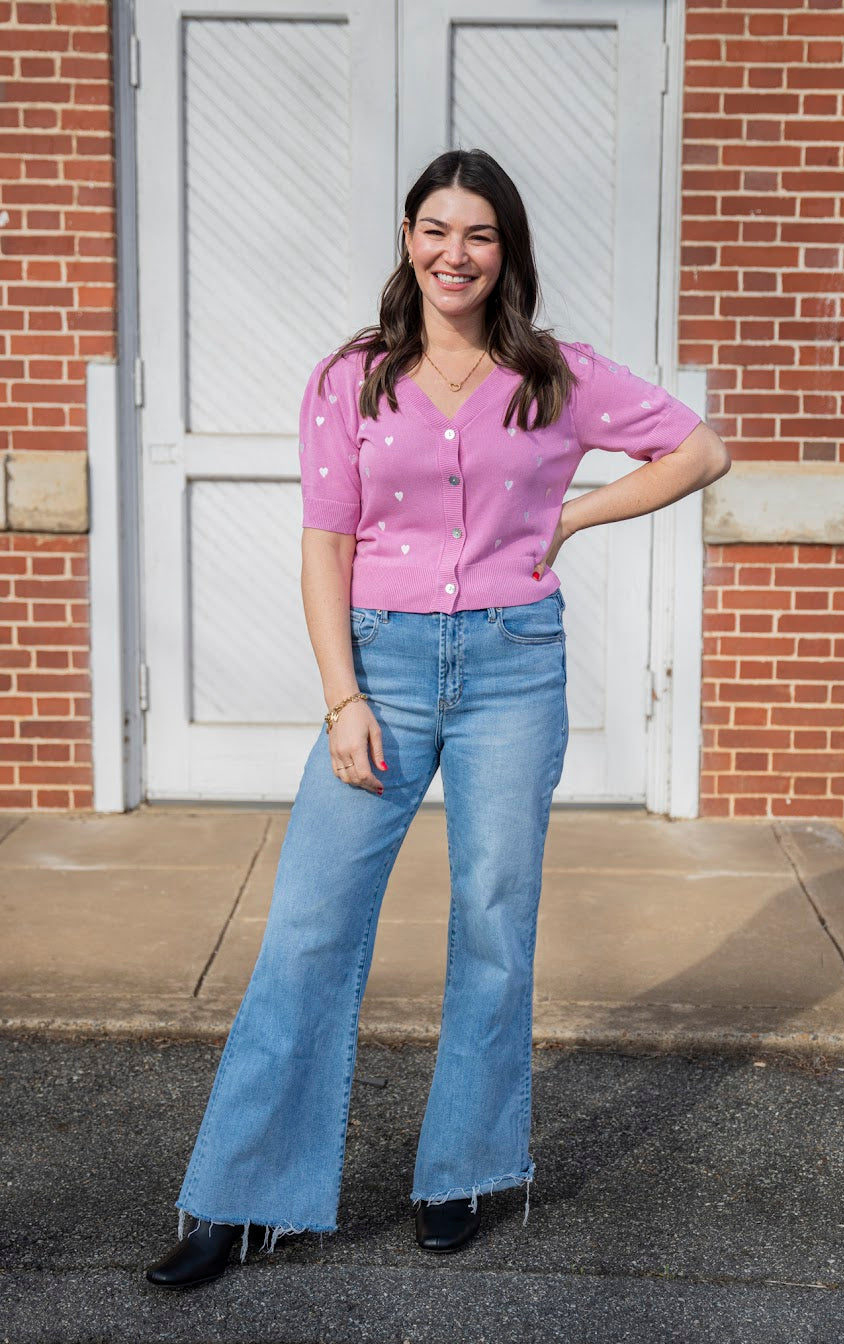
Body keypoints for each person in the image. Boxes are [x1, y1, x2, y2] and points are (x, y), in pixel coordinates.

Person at [145, 147, 730, 1290]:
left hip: (515, 669)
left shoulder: (556, 375)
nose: (451, 253)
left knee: (492, 919)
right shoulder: (350, 379)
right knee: (309, 926)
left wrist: (571, 519)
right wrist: (342, 697)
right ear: (406, 238)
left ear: (504, 251)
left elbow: (698, 449)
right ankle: (241, 1198)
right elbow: (323, 544)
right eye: (432, 228)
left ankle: (460, 1171)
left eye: (476, 234)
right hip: (386, 672)